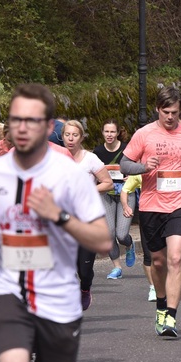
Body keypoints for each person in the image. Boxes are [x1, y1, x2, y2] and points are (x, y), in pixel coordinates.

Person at [0, 83, 111, 362]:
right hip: (9, 291)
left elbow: (102, 240)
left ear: (50, 126)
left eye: (31, 120)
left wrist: (59, 215)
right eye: (16, 119)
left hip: (57, 298)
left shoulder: (71, 174)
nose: (22, 128)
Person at [120, 85, 181, 337]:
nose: (170, 117)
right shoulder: (144, 134)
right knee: (158, 262)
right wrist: (144, 167)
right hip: (151, 206)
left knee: (176, 258)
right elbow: (125, 164)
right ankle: (160, 305)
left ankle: (171, 316)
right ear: (158, 109)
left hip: (180, 203)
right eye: (166, 112)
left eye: (175, 113)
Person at [63, 120, 113, 309]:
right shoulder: (56, 158)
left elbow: (107, 183)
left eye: (75, 135)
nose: (71, 138)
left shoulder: (90, 159)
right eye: (67, 135)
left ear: (81, 137)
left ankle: (85, 288)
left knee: (84, 269)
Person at [94, 119, 137, 278]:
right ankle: (117, 267)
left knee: (121, 234)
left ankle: (129, 244)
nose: (109, 135)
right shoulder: (97, 152)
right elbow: (93, 172)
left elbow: (138, 167)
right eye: (106, 131)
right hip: (106, 195)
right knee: (109, 234)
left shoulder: (127, 149)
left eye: (112, 132)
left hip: (126, 193)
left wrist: (132, 175)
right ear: (102, 133)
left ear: (118, 132)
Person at [121, 175, 157, 301]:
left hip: (170, 215)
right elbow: (125, 190)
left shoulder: (173, 166)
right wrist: (125, 206)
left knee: (169, 255)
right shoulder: (142, 170)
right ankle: (153, 287)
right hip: (147, 214)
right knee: (148, 254)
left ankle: (167, 285)